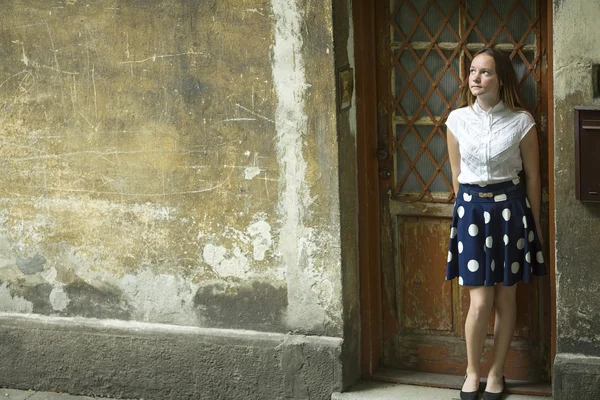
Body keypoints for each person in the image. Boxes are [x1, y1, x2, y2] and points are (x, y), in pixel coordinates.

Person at [445, 47, 546, 400]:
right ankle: (472, 372)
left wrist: (534, 225)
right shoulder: (456, 120)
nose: (475, 78)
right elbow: (457, 176)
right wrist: (468, 210)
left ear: (501, 79)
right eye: (473, 71)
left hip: (512, 213)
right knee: (480, 302)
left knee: (506, 298)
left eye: (485, 72)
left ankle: (497, 372)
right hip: (472, 212)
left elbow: (533, 178)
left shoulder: (522, 121)